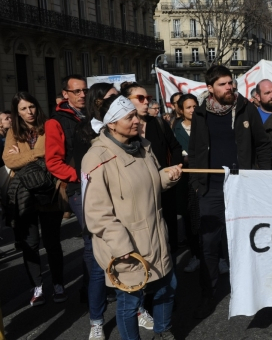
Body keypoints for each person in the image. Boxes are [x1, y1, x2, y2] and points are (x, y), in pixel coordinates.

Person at [82, 95, 182, 340]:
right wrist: (121, 246)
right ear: (112, 123)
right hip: (126, 246)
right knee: (130, 304)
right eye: (130, 117)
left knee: (168, 288)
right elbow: (96, 212)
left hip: (155, 236)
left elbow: (147, 184)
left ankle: (162, 330)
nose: (138, 120)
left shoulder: (143, 147)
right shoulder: (96, 158)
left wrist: (166, 177)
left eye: (136, 115)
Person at [187, 65, 271, 319]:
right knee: (210, 244)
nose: (229, 87)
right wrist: (197, 185)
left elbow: (263, 145)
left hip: (242, 188)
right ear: (210, 88)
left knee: (247, 243)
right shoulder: (201, 114)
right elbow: (195, 151)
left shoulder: (246, 109)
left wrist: (261, 178)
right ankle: (209, 294)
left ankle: (251, 294)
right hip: (211, 189)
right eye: (222, 84)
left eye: (230, 83)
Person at [3, 92, 66, 306]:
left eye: (32, 107)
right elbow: (8, 159)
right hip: (24, 194)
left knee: (52, 242)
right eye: (23, 109)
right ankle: (37, 287)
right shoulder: (13, 131)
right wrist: (34, 155)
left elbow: (48, 155)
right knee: (30, 244)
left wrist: (22, 156)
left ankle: (58, 284)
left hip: (48, 191)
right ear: (17, 112)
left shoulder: (49, 126)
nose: (29, 112)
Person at [71, 83, 119, 339]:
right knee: (98, 264)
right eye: (112, 97)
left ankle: (135, 307)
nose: (118, 100)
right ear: (98, 101)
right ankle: (96, 321)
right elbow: (85, 171)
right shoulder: (84, 130)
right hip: (96, 203)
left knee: (127, 256)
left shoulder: (125, 126)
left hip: (122, 200)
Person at [120, 82, 183, 256]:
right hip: (136, 194)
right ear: (125, 101)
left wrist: (173, 168)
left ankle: (170, 277)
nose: (146, 102)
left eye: (147, 98)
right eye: (140, 98)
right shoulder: (119, 128)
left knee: (169, 240)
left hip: (163, 189)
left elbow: (176, 148)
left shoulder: (158, 123)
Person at [45, 75, 87, 290]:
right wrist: (79, 176)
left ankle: (96, 286)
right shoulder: (55, 121)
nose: (82, 95)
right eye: (77, 91)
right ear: (65, 94)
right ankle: (90, 290)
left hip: (99, 185)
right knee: (92, 239)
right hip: (77, 189)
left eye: (84, 91)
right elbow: (53, 162)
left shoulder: (89, 116)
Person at [172, 94, 202, 273]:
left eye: (194, 106)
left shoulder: (204, 125)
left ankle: (218, 257)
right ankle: (195, 255)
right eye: (188, 107)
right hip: (185, 180)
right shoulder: (176, 129)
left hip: (204, 177)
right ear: (181, 110)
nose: (192, 110)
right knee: (190, 218)